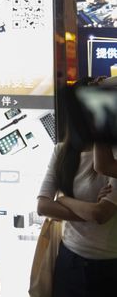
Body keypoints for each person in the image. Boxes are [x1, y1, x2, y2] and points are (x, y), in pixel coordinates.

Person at [37, 79, 117, 297]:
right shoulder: (61, 151)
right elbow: (43, 206)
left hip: (109, 265)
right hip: (69, 259)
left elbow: (101, 214)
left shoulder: (113, 156)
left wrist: (63, 200)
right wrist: (88, 210)